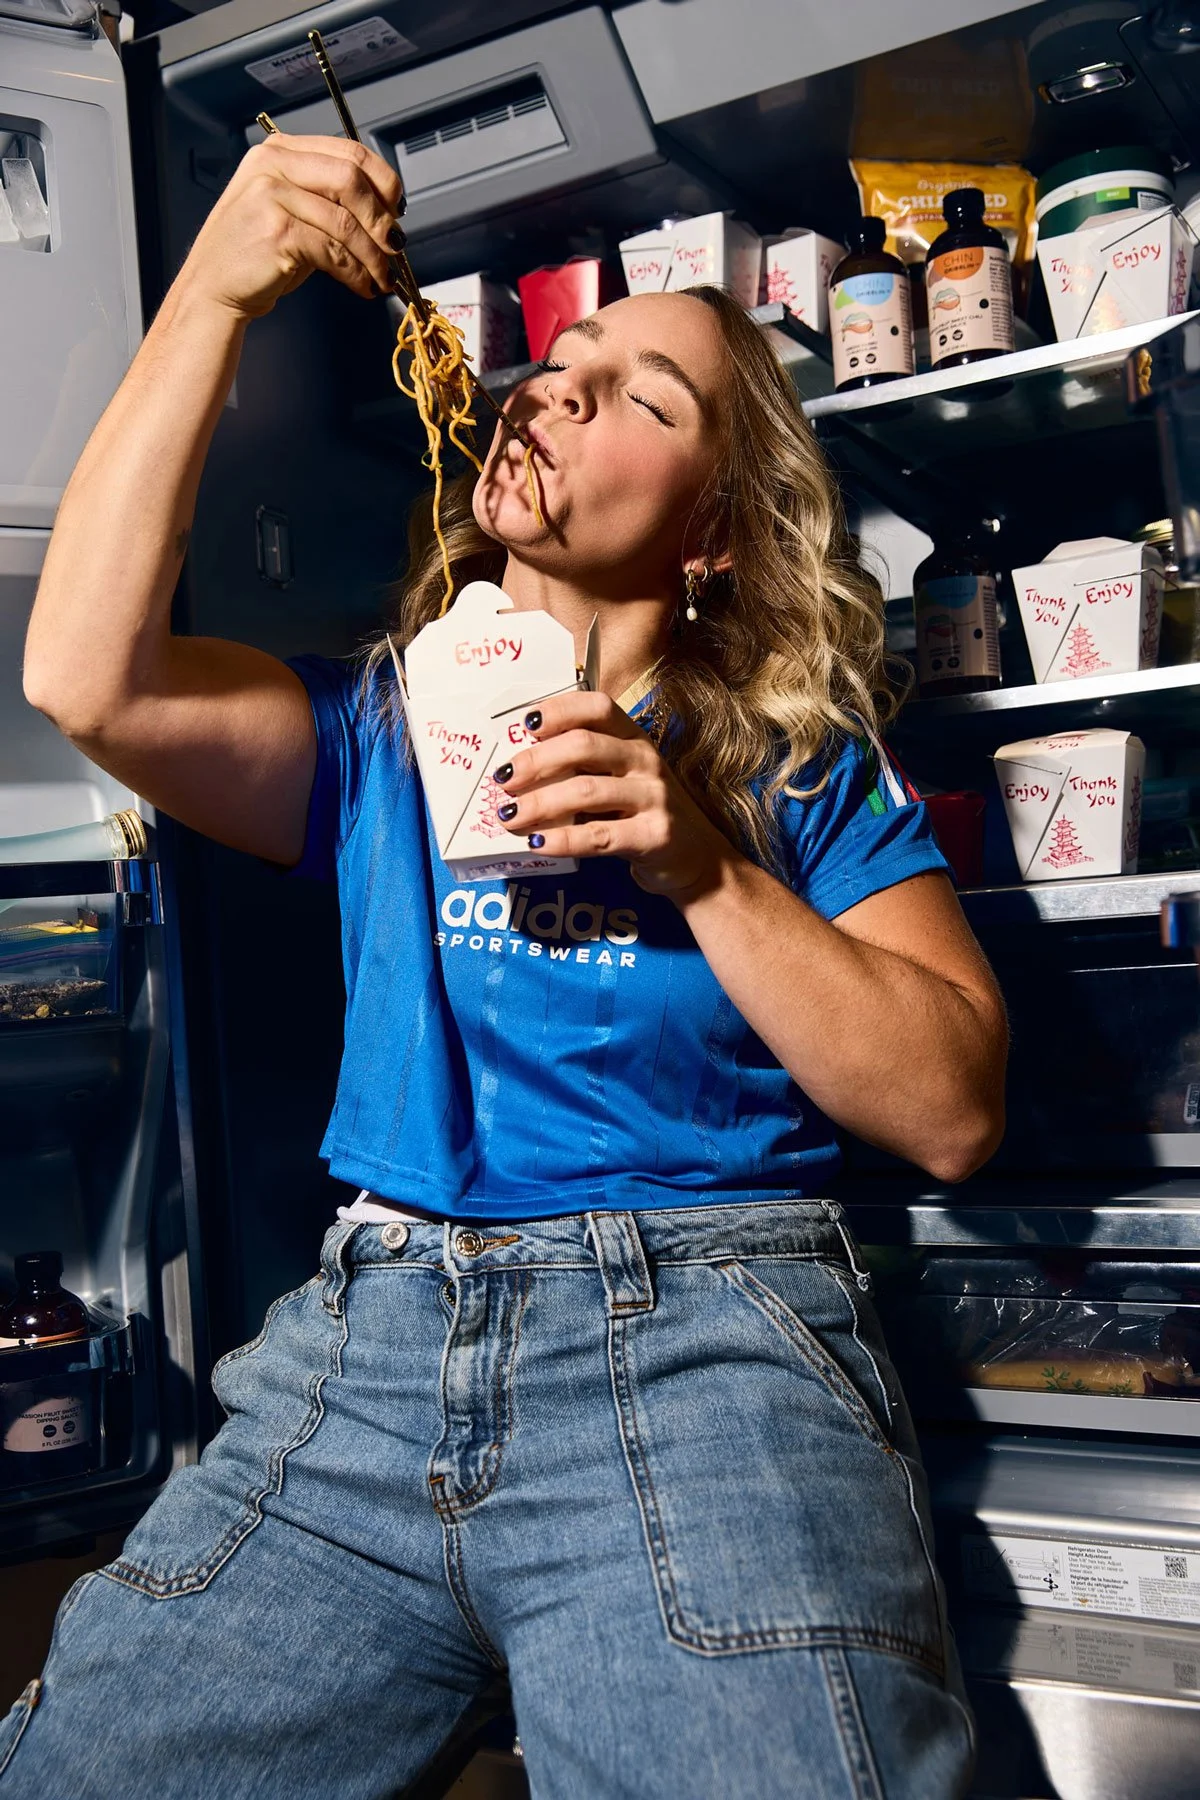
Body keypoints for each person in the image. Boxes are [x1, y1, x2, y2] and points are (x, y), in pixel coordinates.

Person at [4, 132, 1006, 1799]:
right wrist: (218, 291)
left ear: (714, 536)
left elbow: (955, 1107)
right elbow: (83, 679)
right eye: (567, 360)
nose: (561, 389)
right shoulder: (377, 724)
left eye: (643, 398)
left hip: (703, 1346)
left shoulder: (795, 764)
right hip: (373, 1338)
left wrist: (702, 861)